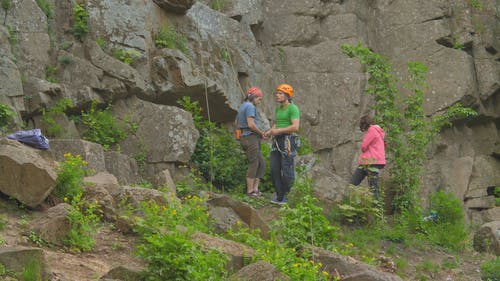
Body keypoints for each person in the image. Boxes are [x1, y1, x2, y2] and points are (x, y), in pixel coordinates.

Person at [264, 83, 300, 205]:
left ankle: (289, 195)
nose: (277, 95)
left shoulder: (293, 108)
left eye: (280, 93)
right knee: (274, 168)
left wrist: (278, 131)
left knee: (287, 169)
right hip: (277, 140)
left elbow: (295, 127)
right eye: (277, 93)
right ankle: (280, 196)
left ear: (287, 95)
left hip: (288, 140)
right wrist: (270, 131)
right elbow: (277, 123)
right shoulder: (279, 109)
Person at [236, 87, 267, 197]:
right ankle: (250, 191)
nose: (260, 100)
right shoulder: (250, 106)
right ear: (253, 97)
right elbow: (251, 124)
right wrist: (261, 133)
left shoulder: (242, 106)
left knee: (261, 163)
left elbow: (236, 122)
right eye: (259, 98)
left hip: (247, 137)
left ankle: (255, 189)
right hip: (251, 137)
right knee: (254, 163)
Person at [350, 115, 386, 200]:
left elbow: (363, 146)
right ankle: (375, 208)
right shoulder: (379, 131)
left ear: (365, 124)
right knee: (373, 187)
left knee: (354, 184)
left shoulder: (372, 129)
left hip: (371, 161)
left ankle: (376, 209)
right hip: (372, 162)